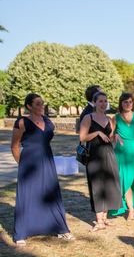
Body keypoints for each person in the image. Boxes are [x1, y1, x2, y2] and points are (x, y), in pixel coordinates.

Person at [11, 93, 74, 245]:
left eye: (42, 103)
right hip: (29, 162)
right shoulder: (22, 122)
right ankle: (21, 233)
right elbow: (14, 146)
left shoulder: (47, 120)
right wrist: (23, 164)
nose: (41, 106)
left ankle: (60, 228)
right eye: (37, 104)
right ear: (29, 106)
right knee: (28, 194)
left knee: (50, 192)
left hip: (47, 159)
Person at [78, 92, 121, 231]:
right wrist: (96, 133)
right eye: (100, 101)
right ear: (95, 103)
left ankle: (105, 217)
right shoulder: (88, 117)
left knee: (109, 183)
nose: (103, 104)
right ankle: (99, 221)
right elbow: (82, 137)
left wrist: (116, 136)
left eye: (105, 101)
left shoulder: (109, 119)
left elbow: (109, 136)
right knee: (97, 185)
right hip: (94, 155)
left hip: (108, 153)